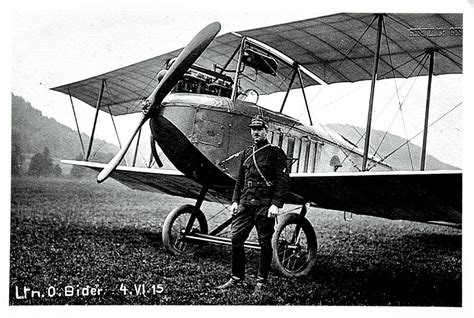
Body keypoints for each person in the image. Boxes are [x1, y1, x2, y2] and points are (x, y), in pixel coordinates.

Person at [217, 115, 290, 297]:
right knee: (236, 238)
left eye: (259, 129)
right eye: (253, 129)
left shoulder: (276, 153)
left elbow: (283, 181)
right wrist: (235, 201)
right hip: (245, 202)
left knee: (264, 243)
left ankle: (261, 281)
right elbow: (239, 180)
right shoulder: (246, 153)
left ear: (267, 130)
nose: (255, 132)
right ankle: (237, 277)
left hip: (265, 204)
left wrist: (276, 204)